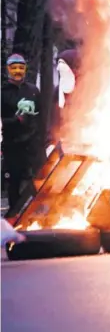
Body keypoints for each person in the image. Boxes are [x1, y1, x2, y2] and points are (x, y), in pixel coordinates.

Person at [1, 53, 42, 215]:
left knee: (39, 178)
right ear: (8, 70)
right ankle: (14, 214)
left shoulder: (33, 90)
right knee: (14, 181)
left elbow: (41, 114)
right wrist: (15, 120)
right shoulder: (2, 93)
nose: (18, 71)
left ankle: (40, 212)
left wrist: (44, 138)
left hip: (32, 144)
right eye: (14, 68)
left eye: (21, 67)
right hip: (12, 145)